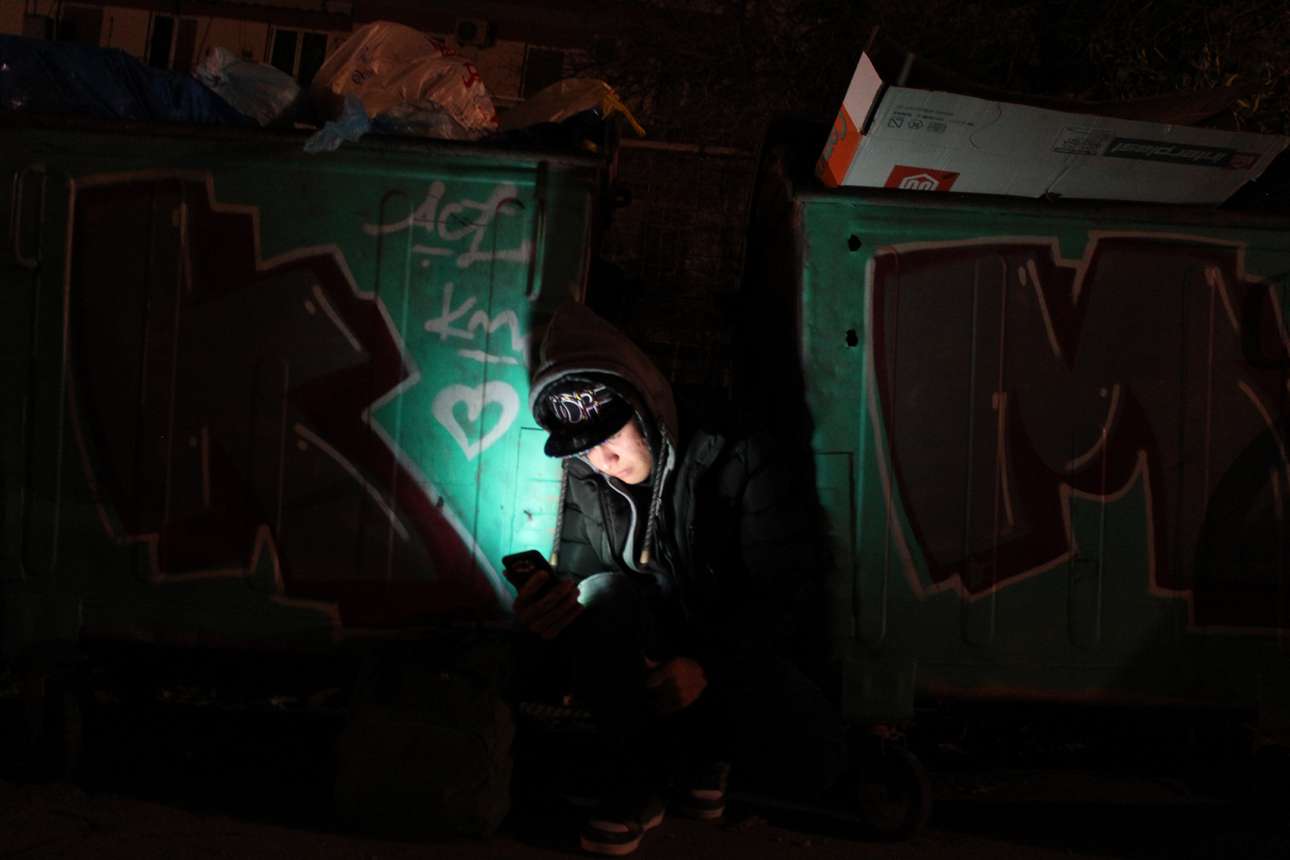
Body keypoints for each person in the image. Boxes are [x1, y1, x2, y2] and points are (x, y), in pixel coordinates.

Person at [515, 301, 845, 856]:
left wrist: (706, 667)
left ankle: (706, 759)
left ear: (646, 406)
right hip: (653, 667)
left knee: (818, 763)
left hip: (734, 662)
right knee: (599, 595)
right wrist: (549, 613)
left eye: (610, 435)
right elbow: (586, 584)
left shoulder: (739, 450)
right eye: (584, 446)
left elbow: (787, 593)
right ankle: (635, 788)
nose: (601, 459)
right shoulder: (586, 476)